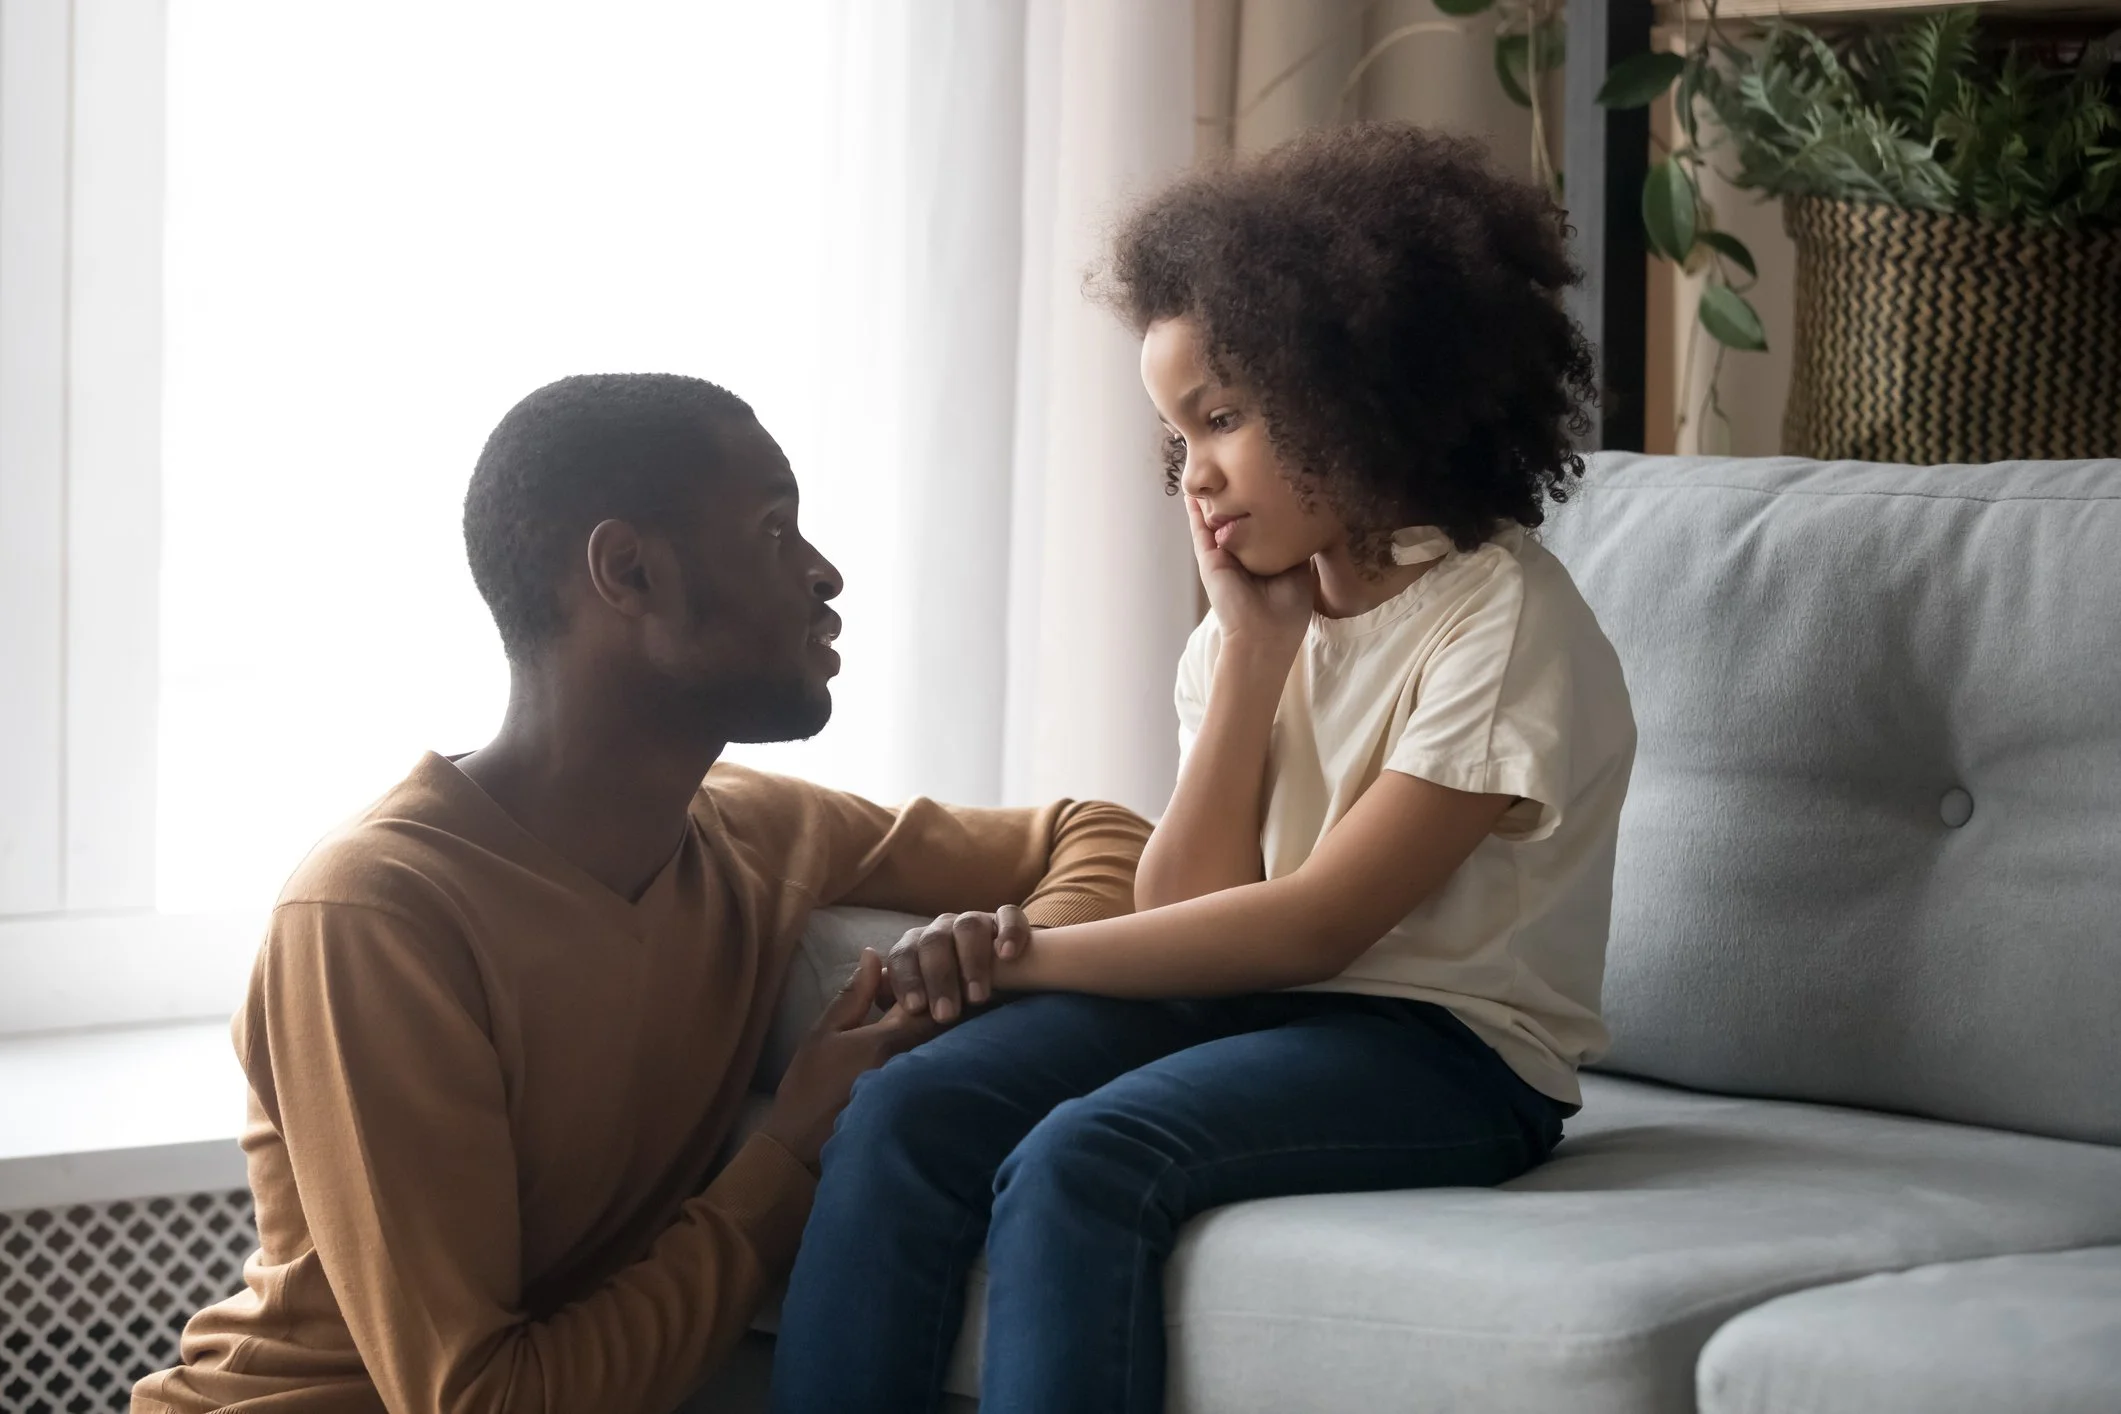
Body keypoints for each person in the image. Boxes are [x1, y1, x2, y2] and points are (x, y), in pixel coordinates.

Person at [770, 122, 1638, 1414]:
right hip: (1260, 1008)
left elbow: (1319, 920)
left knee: (1086, 1155)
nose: (1195, 474)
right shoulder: (1250, 628)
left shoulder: (1497, 617)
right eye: (1175, 439)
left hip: (1450, 1051)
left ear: (1352, 382)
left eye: (1220, 417)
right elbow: (1184, 916)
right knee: (905, 1108)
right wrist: (1248, 656)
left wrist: (1014, 953)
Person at [131, 374, 1150, 1414]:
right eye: (774, 530)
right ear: (627, 570)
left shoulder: (755, 831)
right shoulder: (377, 918)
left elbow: (1103, 834)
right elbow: (486, 1403)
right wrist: (786, 1155)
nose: (826, 573)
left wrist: (1005, 970)